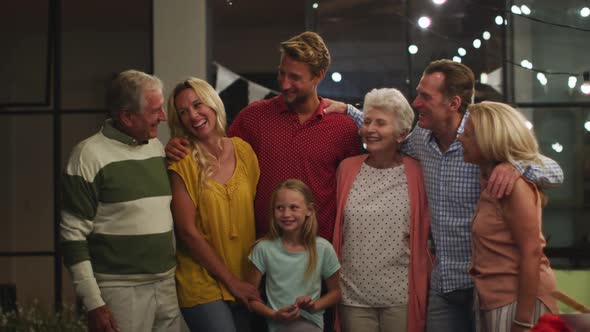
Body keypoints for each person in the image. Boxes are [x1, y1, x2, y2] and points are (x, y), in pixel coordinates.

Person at [325, 59, 563, 332]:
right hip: (443, 283)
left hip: (482, 285)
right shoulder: (419, 141)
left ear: (453, 103)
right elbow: (389, 132)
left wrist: (516, 165)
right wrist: (349, 111)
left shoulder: (481, 143)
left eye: (426, 96)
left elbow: (555, 172)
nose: (416, 103)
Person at [165, 31, 362, 241]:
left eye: (294, 77)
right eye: (281, 73)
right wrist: (181, 143)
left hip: (320, 255)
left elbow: (355, 194)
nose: (284, 84)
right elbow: (215, 153)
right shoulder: (253, 117)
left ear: (319, 76)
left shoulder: (343, 127)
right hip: (261, 255)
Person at [60, 70, 180, 332]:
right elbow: (72, 238)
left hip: (167, 284)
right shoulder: (87, 156)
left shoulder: (157, 148)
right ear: (126, 116)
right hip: (119, 291)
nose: (162, 117)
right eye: (154, 111)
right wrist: (94, 303)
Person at [332, 88, 430, 332]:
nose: (370, 129)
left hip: (400, 297)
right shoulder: (346, 169)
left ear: (402, 134)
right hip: (352, 295)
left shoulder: (418, 173)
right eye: (366, 122)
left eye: (380, 123)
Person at [167, 78, 261, 331]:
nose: (193, 115)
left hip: (245, 275)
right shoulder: (182, 161)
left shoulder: (244, 151)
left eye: (198, 105)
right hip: (201, 281)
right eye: (183, 112)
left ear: (213, 103)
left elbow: (256, 211)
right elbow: (187, 231)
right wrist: (231, 282)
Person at [457, 101, 558, 332]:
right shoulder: (492, 180)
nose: (460, 138)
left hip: (517, 302)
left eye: (468, 134)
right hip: (497, 300)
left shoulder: (514, 187)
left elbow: (531, 252)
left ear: (488, 141)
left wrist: (523, 320)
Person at [247, 179, 341, 332]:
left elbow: (336, 292)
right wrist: (274, 314)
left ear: (309, 210)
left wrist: (314, 305)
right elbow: (250, 297)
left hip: (311, 324)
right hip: (278, 326)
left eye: (294, 207)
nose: (286, 214)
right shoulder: (263, 248)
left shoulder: (322, 248)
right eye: (280, 208)